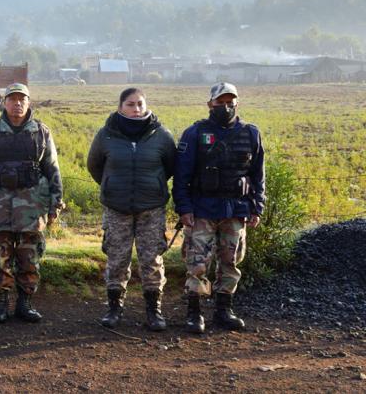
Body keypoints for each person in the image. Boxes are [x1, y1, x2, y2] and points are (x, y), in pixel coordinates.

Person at [174, 82, 265, 333]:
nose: (225, 106)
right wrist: (184, 209)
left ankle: (224, 311)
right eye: (220, 102)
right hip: (202, 208)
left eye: (230, 101)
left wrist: (257, 207)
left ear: (237, 103)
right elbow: (182, 176)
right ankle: (195, 313)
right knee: (197, 262)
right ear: (210, 104)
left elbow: (258, 175)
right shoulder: (194, 134)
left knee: (231, 261)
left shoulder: (251, 133)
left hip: (236, 209)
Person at [0, 83, 63, 324]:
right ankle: (1, 305)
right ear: (5, 103)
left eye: (22, 99)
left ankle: (25, 304)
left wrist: (55, 204)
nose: (17, 103)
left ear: (29, 102)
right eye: (12, 99)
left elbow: (52, 169)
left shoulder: (41, 132)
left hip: (32, 211)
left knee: (29, 259)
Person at [86, 88, 176, 331]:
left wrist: (152, 185)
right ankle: (114, 308)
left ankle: (153, 311)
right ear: (120, 107)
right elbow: (94, 166)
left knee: (152, 260)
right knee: (117, 259)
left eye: (140, 104)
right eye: (130, 104)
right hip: (117, 208)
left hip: (151, 209)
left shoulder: (161, 136)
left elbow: (170, 167)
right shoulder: (106, 135)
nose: (136, 109)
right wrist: (112, 185)